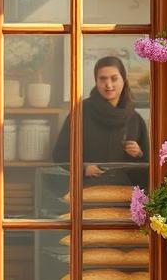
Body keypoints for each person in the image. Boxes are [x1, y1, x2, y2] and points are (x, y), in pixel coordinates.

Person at [52, 55, 149, 185]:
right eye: (102, 79)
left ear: (124, 80)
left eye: (114, 79)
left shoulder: (135, 119)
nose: (108, 85)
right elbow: (60, 154)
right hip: (85, 192)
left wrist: (139, 154)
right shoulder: (81, 113)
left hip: (124, 195)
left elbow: (148, 164)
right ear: (96, 81)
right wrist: (83, 168)